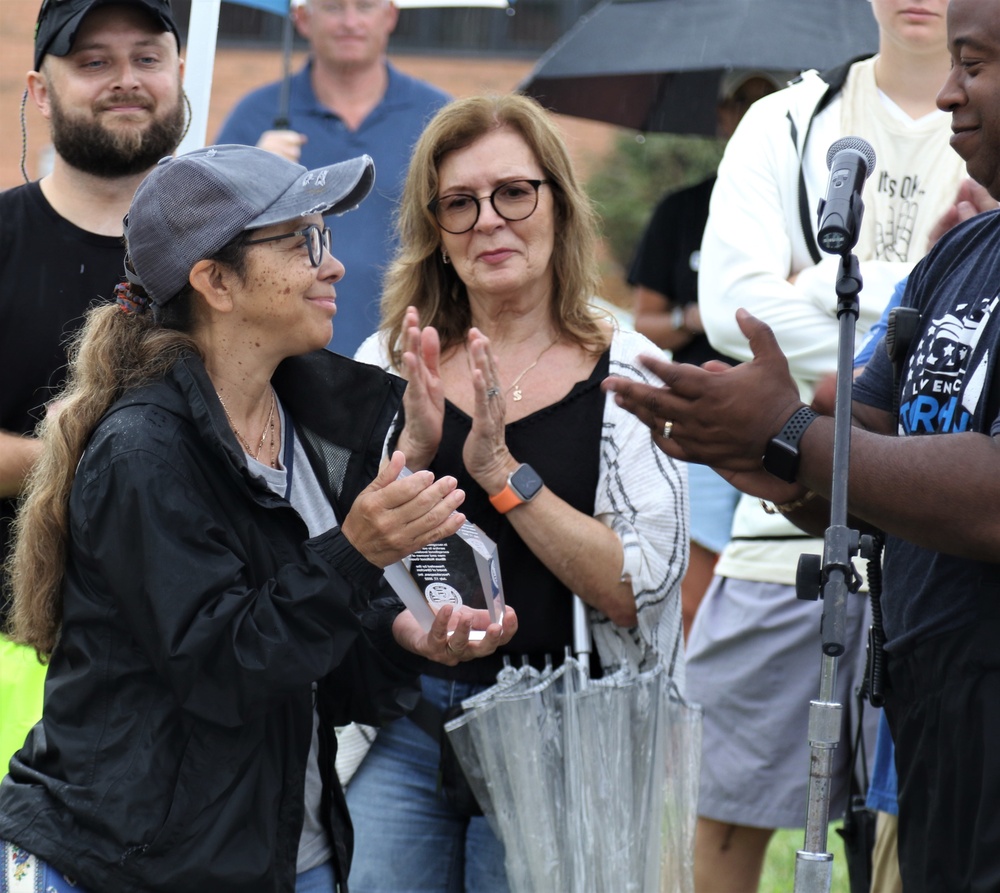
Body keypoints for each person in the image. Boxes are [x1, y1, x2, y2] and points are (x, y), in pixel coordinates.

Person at [0, 144, 517, 893]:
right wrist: (356, 549)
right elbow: (225, 668)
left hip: (281, 859)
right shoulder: (143, 450)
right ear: (213, 279)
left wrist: (407, 637)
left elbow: (315, 669)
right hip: (131, 867)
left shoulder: (310, 422)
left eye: (327, 239)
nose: (333, 265)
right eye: (303, 241)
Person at [604, 3, 1000, 890]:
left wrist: (791, 436)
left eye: (972, 64)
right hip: (940, 719)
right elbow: (863, 428)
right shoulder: (964, 252)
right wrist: (772, 457)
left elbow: (988, 492)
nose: (947, 92)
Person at [348, 93, 688, 892]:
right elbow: (340, 556)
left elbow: (637, 585)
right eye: (459, 204)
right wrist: (414, 450)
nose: (489, 221)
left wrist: (503, 476)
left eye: (513, 192)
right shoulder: (384, 363)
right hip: (402, 725)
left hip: (563, 732)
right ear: (434, 230)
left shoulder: (626, 371)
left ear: (558, 204)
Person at [0, 0, 187, 767]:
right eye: (94, 62)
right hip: (14, 651)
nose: (125, 81)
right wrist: (107, 470)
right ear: (41, 91)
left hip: (180, 658)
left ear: (181, 75)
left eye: (147, 58)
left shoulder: (227, 262)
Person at [629, 68, 788, 638]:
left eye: (768, 99)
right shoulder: (682, 211)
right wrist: (694, 317)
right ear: (720, 115)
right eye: (741, 100)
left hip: (787, 423)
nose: (753, 112)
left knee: (768, 598)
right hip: (699, 422)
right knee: (695, 603)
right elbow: (643, 324)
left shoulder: (815, 210)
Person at [216, 0, 451, 358]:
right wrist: (254, 178)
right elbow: (210, 240)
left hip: (409, 349)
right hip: (287, 360)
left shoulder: (437, 118)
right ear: (301, 18)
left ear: (390, 15)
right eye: (332, 7)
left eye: (365, 6)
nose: (350, 22)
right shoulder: (256, 117)